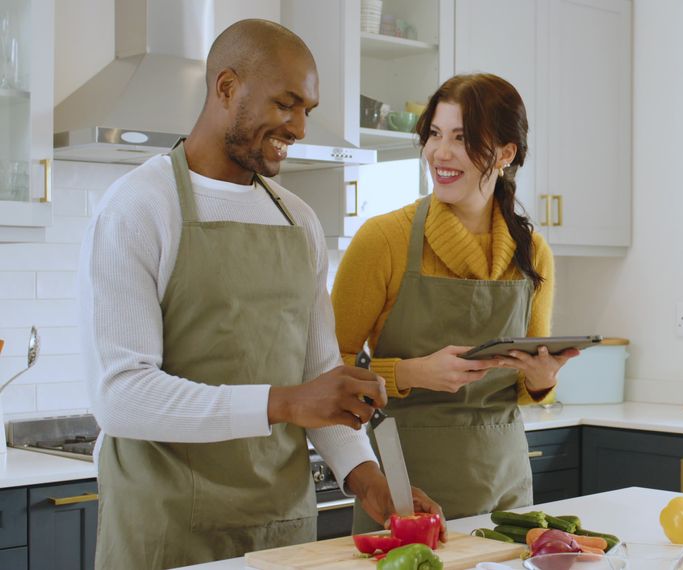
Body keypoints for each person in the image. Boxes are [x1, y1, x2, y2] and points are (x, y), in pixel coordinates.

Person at [77, 19, 442, 570]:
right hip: (166, 534)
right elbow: (122, 396)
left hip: (282, 530)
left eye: (307, 111)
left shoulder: (298, 220)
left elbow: (320, 374)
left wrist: (367, 478)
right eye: (285, 104)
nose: (298, 126)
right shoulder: (138, 208)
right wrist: (285, 402)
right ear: (226, 88)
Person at [332, 73, 579, 532]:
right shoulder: (383, 239)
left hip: (506, 491)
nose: (440, 153)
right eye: (434, 134)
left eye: (462, 139)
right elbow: (329, 370)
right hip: (406, 488)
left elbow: (527, 388)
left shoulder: (532, 252)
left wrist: (542, 379)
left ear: (506, 154)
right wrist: (410, 373)